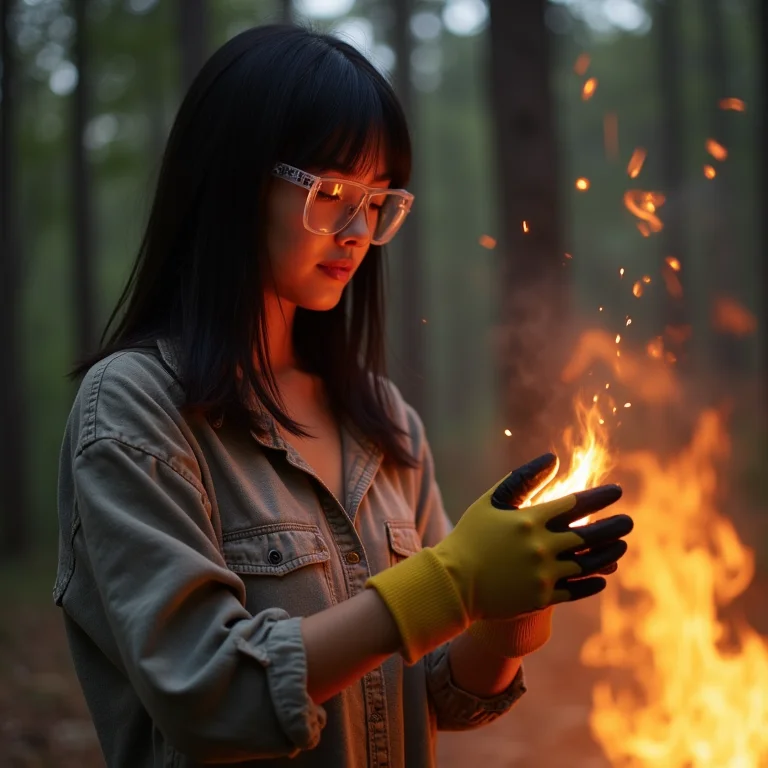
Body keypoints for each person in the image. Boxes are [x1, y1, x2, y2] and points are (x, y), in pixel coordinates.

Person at [54, 23, 633, 768]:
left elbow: (437, 697)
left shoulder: (383, 421)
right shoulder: (137, 411)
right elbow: (211, 697)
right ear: (232, 181)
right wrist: (451, 582)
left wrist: (504, 621)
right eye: (330, 192)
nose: (359, 230)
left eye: (379, 199)